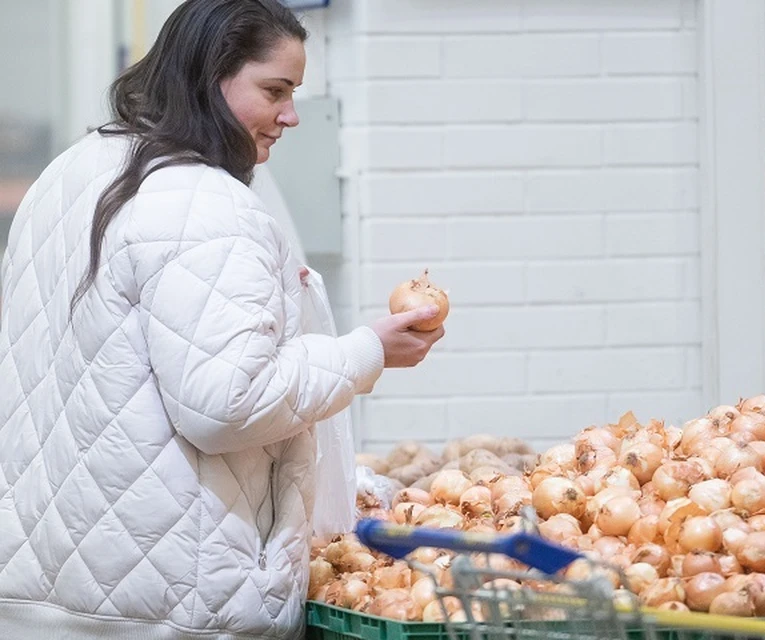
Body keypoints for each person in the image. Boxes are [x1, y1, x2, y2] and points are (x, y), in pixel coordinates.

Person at [0, 1, 443, 638]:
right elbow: (228, 404)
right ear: (210, 77)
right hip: (170, 605)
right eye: (275, 90)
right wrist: (365, 352)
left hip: (45, 593)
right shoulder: (202, 203)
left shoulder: (68, 174)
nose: (291, 115)